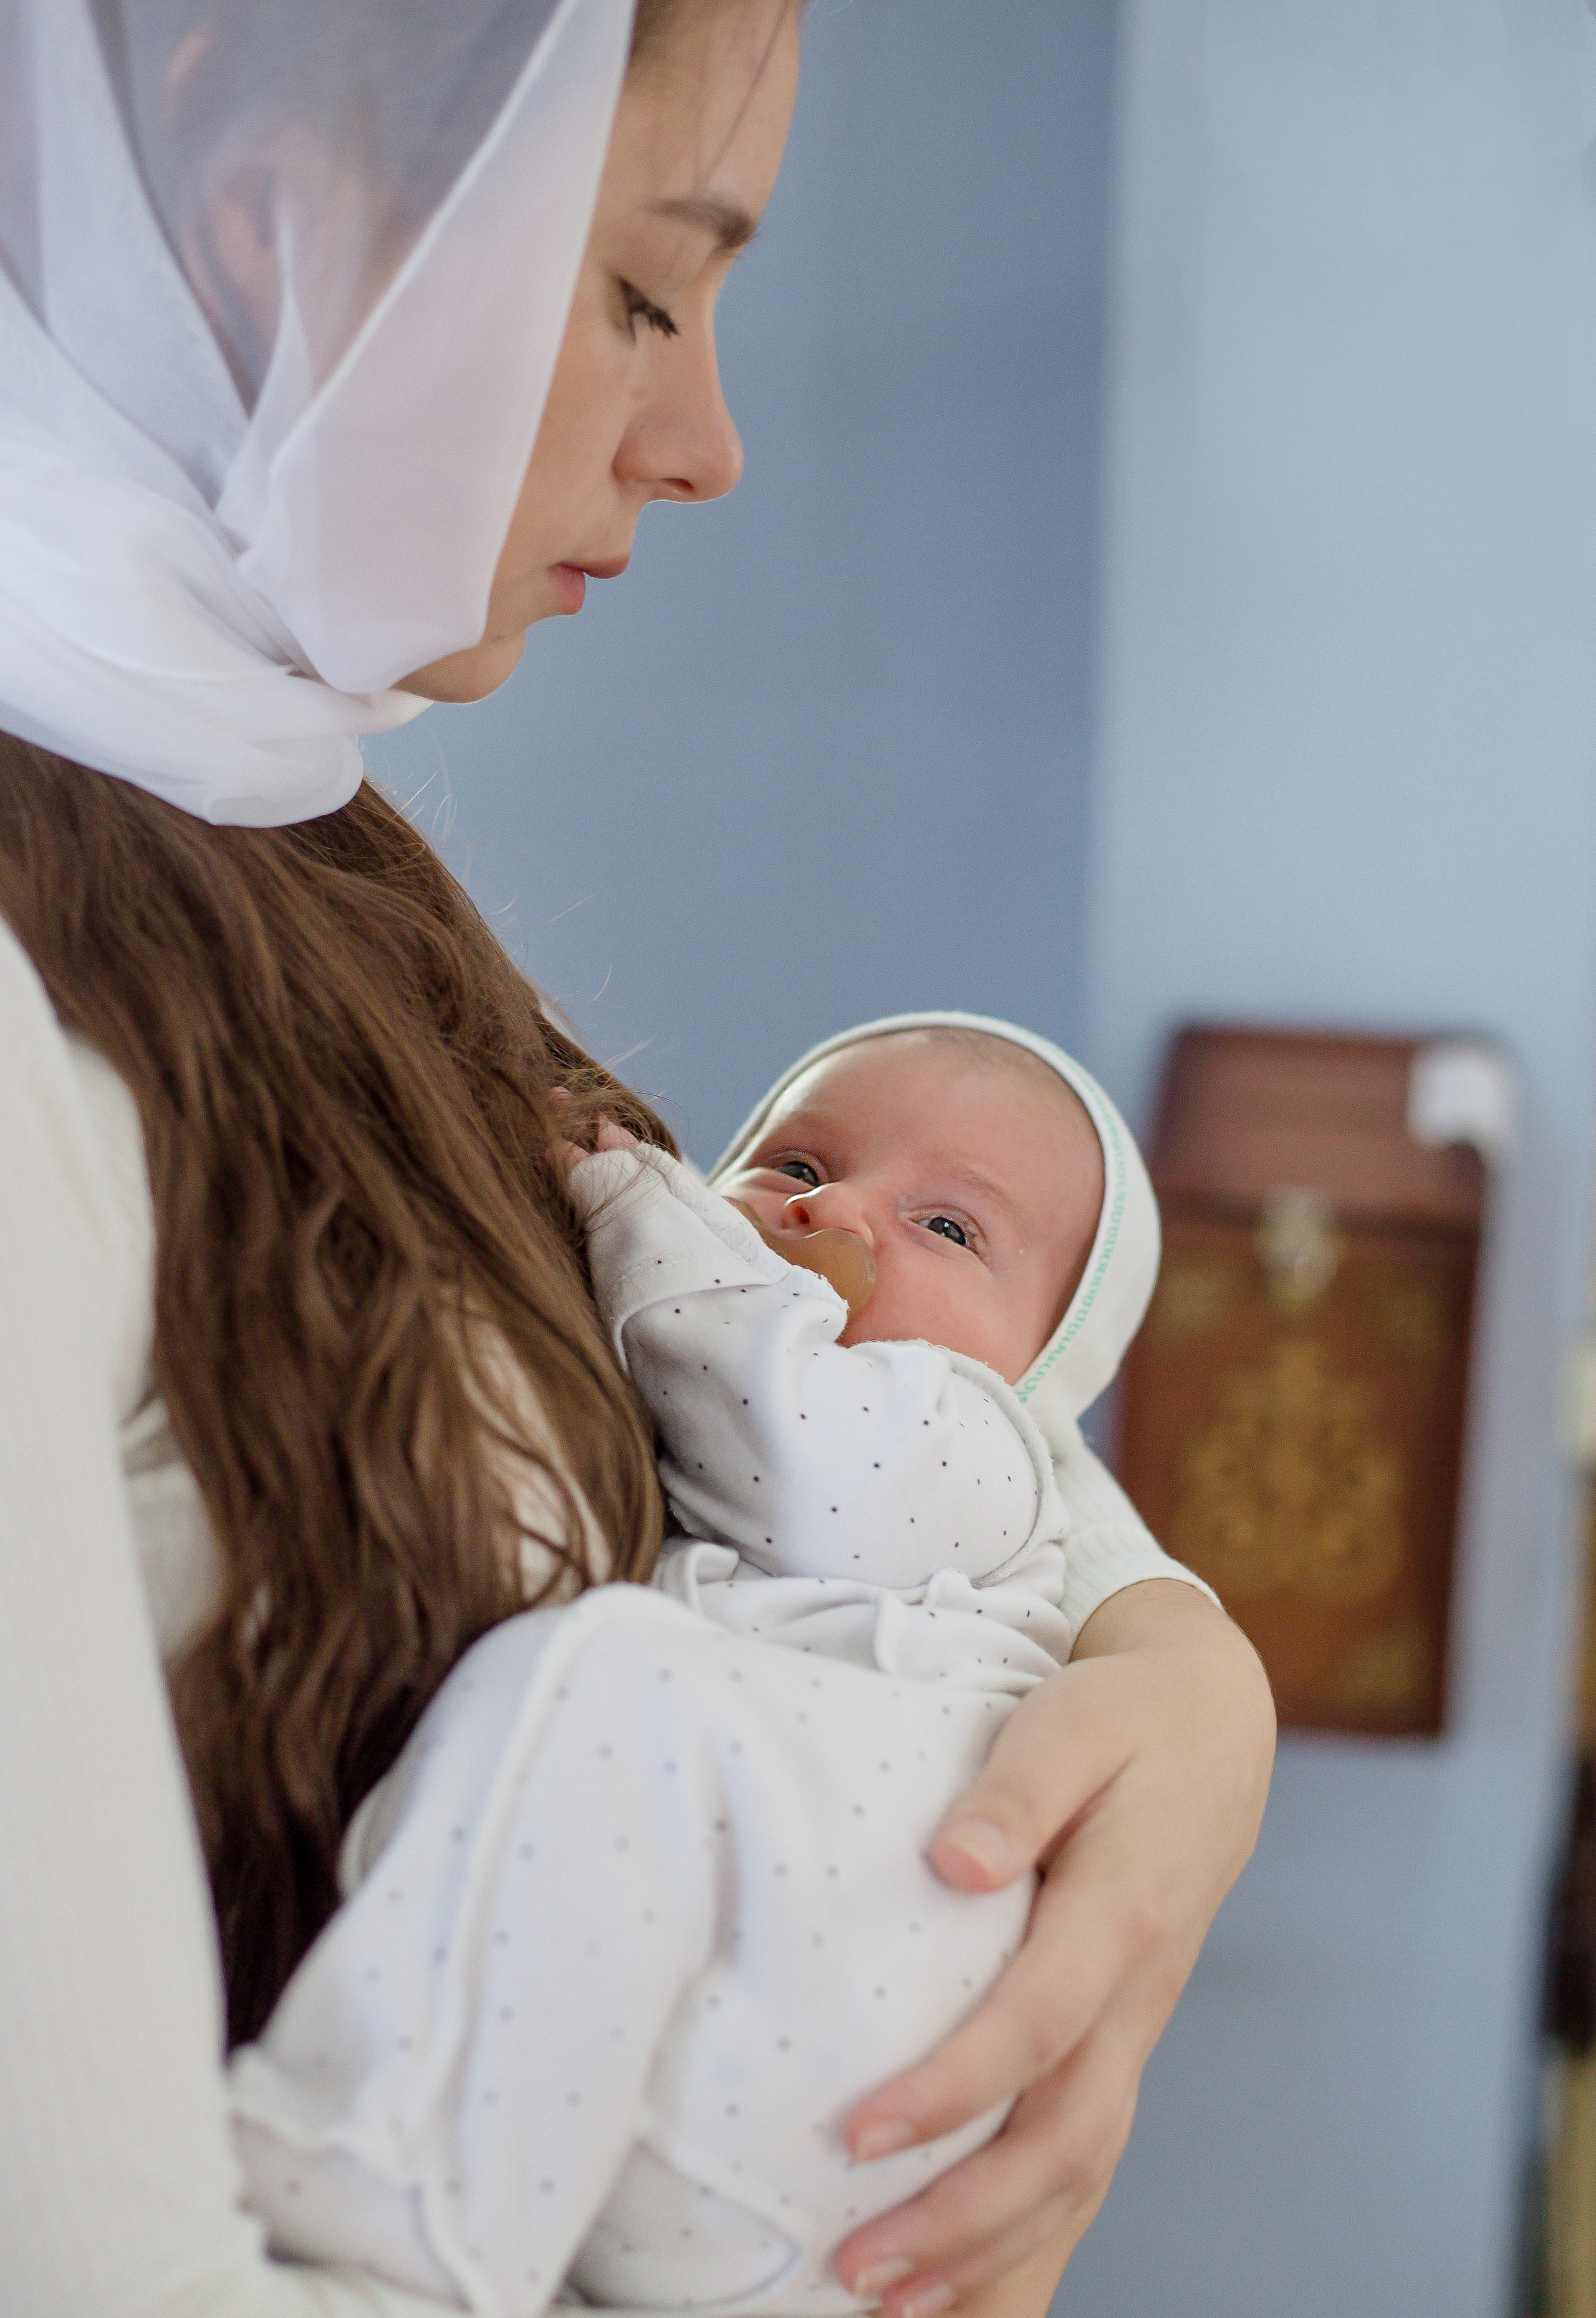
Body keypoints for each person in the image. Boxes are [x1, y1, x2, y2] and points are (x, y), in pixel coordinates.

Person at [0, 7, 1276, 2318]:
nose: (708, 441)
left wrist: (1181, 1669)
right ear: (257, 199)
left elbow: (841, 1377)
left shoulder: (297, 833)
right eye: (640, 289)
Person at [226, 1014, 1228, 2314]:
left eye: (949, 1228)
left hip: (857, 2031)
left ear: (1038, 1373)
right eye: (797, 1164)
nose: (839, 1214)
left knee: (607, 1684)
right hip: (733, 2124)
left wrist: (621, 1187)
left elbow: (779, 1420)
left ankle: (392, 2186)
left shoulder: (972, 1451)